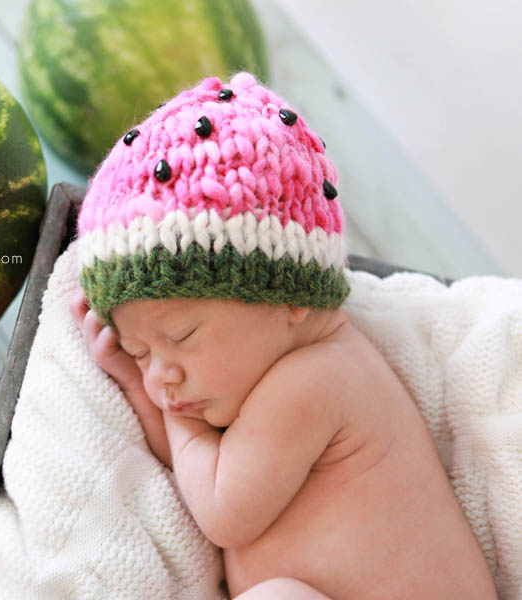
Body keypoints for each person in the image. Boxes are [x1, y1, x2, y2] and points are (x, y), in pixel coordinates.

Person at [69, 72, 496, 599]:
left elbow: (222, 508)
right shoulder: (251, 380)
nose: (162, 374)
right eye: (140, 351)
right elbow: (195, 470)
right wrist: (141, 390)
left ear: (288, 298)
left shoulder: (315, 382)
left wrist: (167, 410)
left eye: (180, 336)